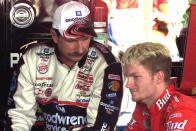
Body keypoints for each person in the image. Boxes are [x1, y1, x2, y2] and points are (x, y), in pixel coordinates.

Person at [6, 1, 123, 131]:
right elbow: (19, 116)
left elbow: (100, 127)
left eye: (85, 38)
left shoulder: (107, 66)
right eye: (71, 40)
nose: (80, 48)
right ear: (55, 36)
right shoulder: (33, 59)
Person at [121, 42, 196, 130]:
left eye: (136, 77)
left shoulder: (181, 111)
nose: (127, 85)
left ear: (159, 77)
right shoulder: (144, 104)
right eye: (127, 77)